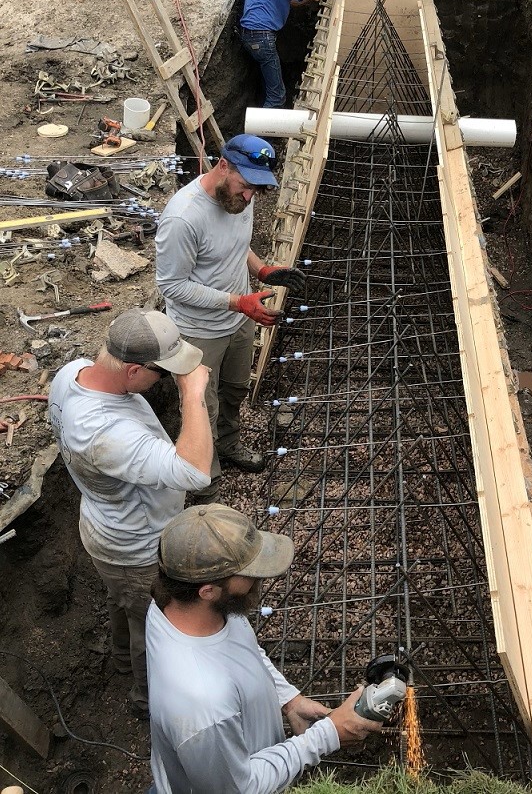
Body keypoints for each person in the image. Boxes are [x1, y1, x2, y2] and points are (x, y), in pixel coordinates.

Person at [146, 503, 381, 793]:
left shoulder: (170, 606)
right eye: (249, 573)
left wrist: (288, 700)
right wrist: (328, 735)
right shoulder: (202, 706)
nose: (260, 578)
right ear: (207, 590)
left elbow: (244, 649)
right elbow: (240, 788)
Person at [48, 308, 213, 717]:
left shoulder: (74, 371)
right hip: (135, 547)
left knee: (121, 601)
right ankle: (146, 699)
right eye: (162, 373)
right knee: (150, 627)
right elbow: (194, 472)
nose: (168, 378)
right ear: (135, 371)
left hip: (107, 528)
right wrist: (191, 394)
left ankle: (120, 659)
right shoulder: (102, 430)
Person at [155, 134, 305, 502]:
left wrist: (262, 269)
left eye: (256, 189)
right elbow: (172, 286)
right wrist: (238, 302)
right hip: (198, 332)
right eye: (245, 186)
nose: (250, 197)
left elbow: (236, 245)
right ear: (223, 166)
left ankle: (229, 445)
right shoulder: (183, 218)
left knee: (234, 388)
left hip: (238, 318)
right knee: (201, 409)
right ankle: (207, 487)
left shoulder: (238, 196)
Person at [239, 0, 362, 107]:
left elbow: (293, 2)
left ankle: (262, 120)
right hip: (261, 36)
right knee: (277, 97)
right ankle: (262, 131)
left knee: (270, 86)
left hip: (252, 34)